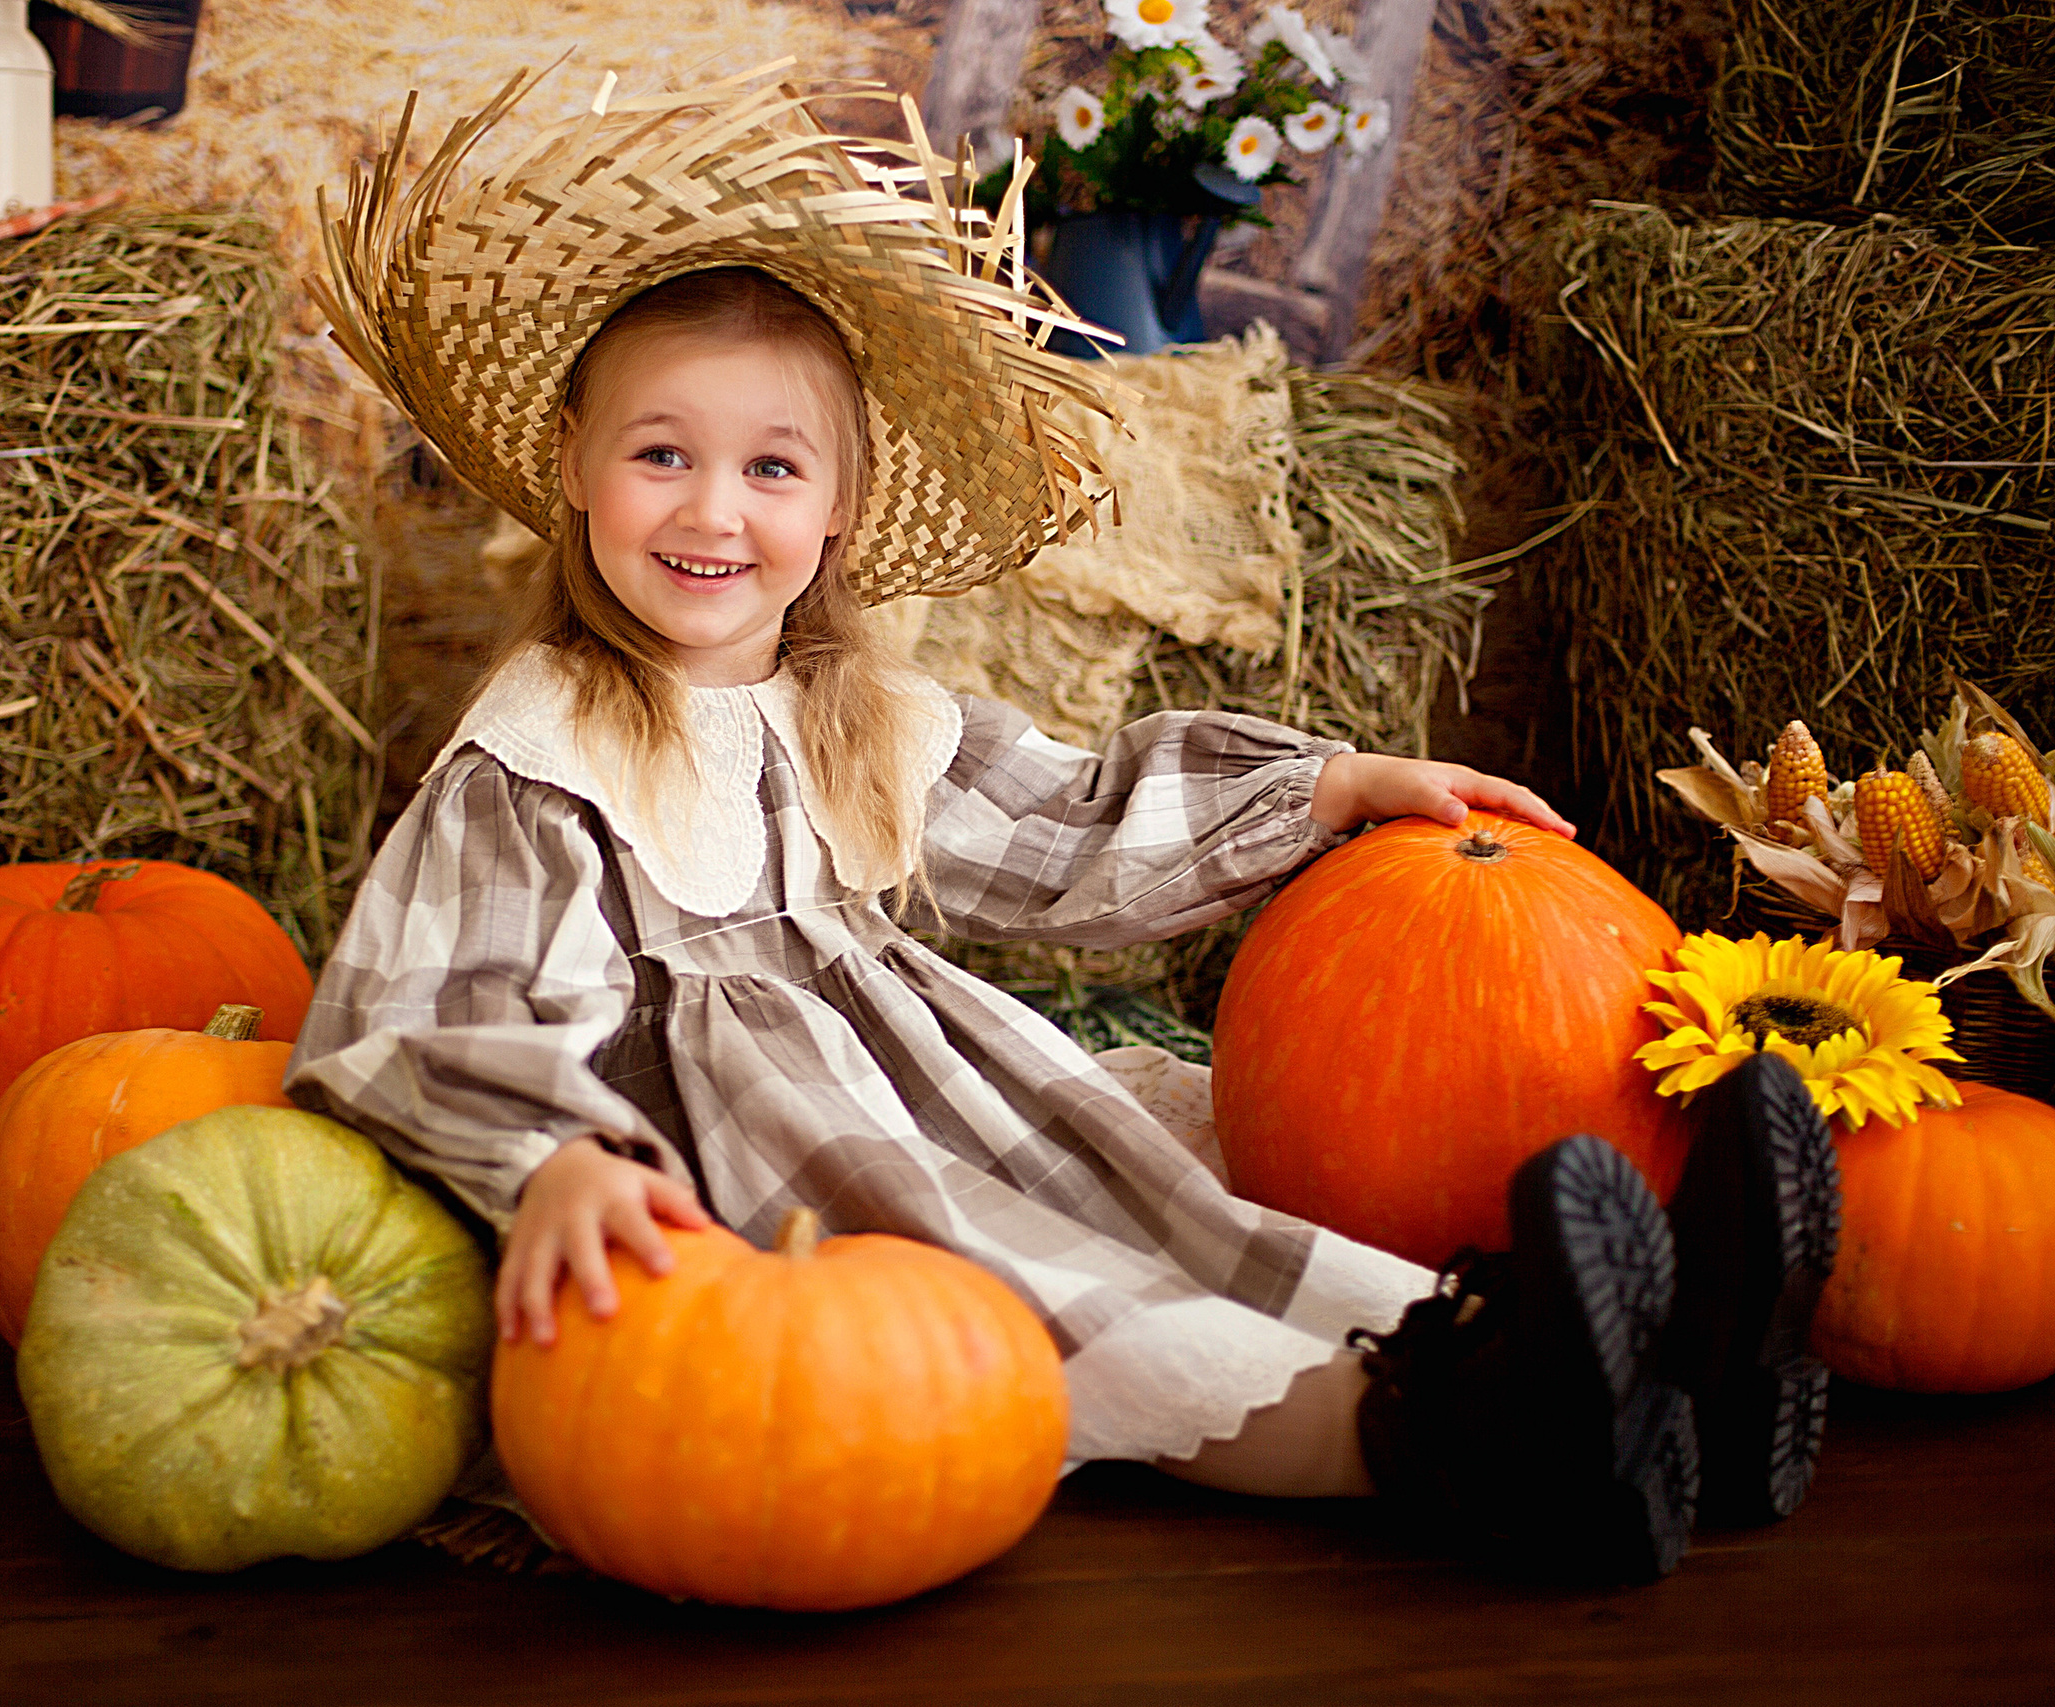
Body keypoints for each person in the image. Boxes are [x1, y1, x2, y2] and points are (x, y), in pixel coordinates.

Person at [286, 66, 1841, 1583]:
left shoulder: (856, 715)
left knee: (1191, 1194)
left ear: (838, 507)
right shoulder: (541, 748)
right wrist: (557, 1161)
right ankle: (1471, 1443)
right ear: (574, 464)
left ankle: (1672, 1367)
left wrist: (1328, 785)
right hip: (752, 1170)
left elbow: (1068, 830)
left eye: (771, 467)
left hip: (930, 1090)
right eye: (660, 454)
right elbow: (437, 1009)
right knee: (1065, 1301)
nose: (712, 511)